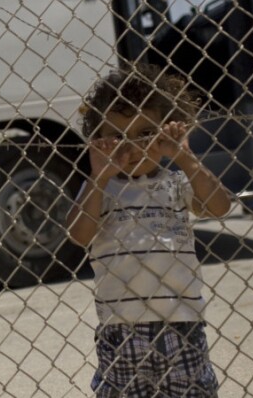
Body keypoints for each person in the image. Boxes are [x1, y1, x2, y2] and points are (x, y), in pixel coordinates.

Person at [66, 63, 231, 397]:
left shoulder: (176, 184)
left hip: (181, 322)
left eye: (145, 134)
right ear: (98, 141)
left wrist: (185, 158)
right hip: (121, 327)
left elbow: (219, 206)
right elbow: (79, 234)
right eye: (117, 137)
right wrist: (99, 175)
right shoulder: (101, 190)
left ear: (167, 132)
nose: (133, 148)